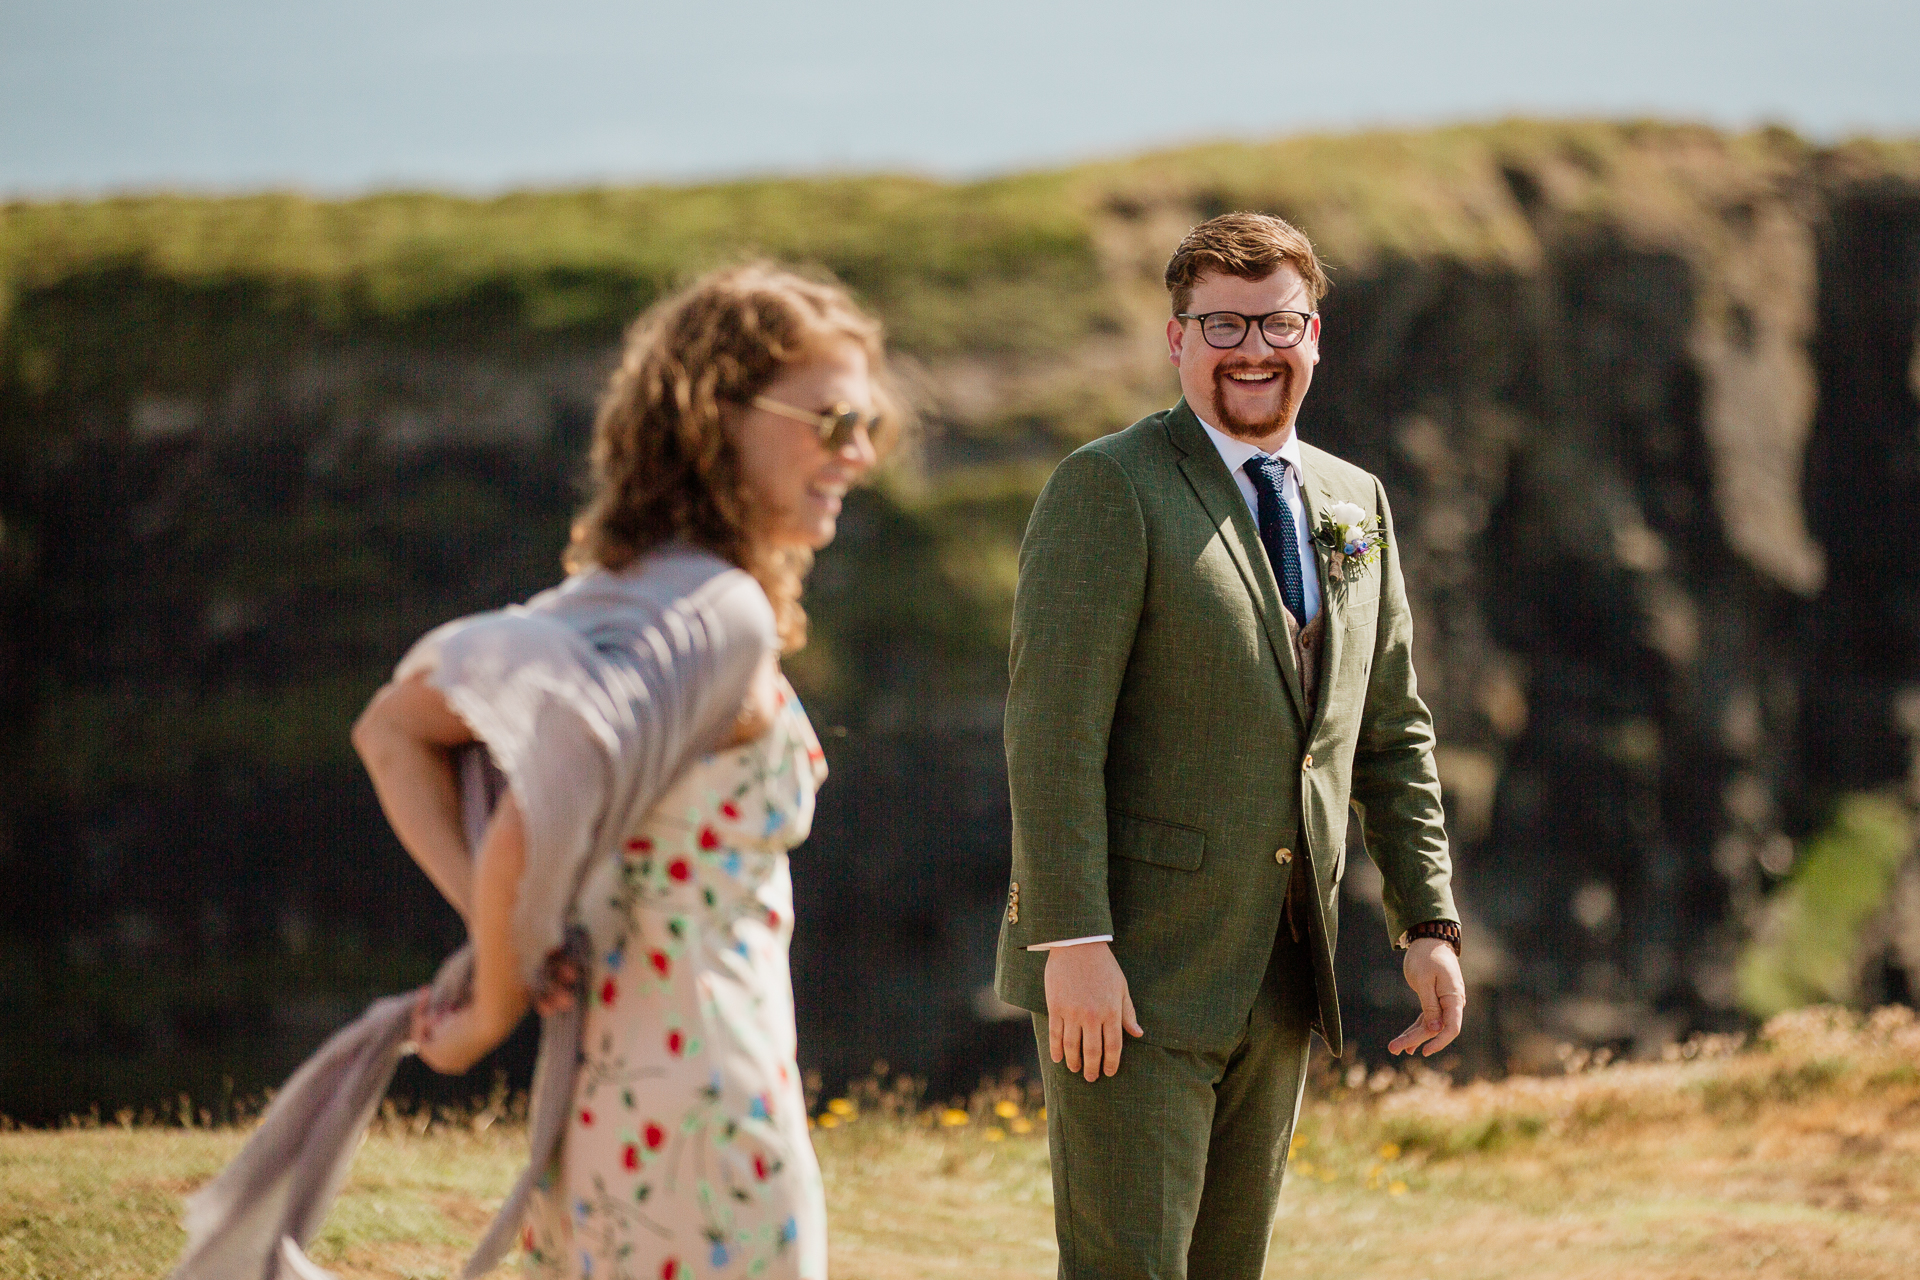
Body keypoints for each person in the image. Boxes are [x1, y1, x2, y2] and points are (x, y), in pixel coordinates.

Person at [347, 263, 894, 1279]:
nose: (858, 453)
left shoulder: (599, 599)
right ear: (716, 415)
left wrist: (506, 928)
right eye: (831, 420)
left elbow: (393, 729)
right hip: (712, 1107)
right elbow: (544, 801)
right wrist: (496, 998)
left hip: (606, 1107)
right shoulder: (720, 614)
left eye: (871, 424)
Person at [992, 212, 1466, 1280]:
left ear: (1314, 337)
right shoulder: (1109, 486)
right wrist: (1071, 940)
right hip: (1131, 974)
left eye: (1278, 322)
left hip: (1285, 971)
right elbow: (1052, 729)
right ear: (1176, 340)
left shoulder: (1356, 503)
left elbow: (1391, 731)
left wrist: (1425, 918)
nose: (1252, 347)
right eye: (1221, 324)